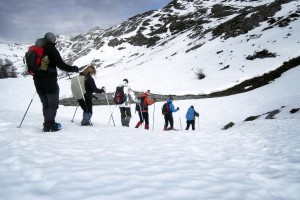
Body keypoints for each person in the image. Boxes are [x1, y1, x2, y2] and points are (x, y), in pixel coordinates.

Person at [33, 32, 79, 132]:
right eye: (54, 39)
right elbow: (61, 64)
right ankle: (49, 125)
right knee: (52, 104)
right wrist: (73, 69)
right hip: (49, 81)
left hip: (37, 81)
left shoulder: (37, 48)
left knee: (45, 104)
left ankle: (47, 124)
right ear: (52, 39)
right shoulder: (51, 48)